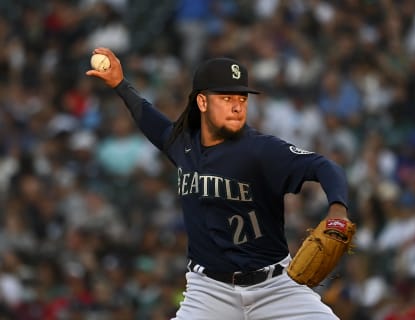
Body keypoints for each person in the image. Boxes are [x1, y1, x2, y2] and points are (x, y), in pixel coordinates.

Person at [86, 47, 351, 320]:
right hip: (209, 292)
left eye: (241, 98)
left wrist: (337, 210)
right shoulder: (183, 144)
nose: (237, 106)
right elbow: (149, 119)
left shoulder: (262, 150)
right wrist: (120, 84)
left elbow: (325, 166)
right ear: (202, 102)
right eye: (226, 98)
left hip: (276, 288)